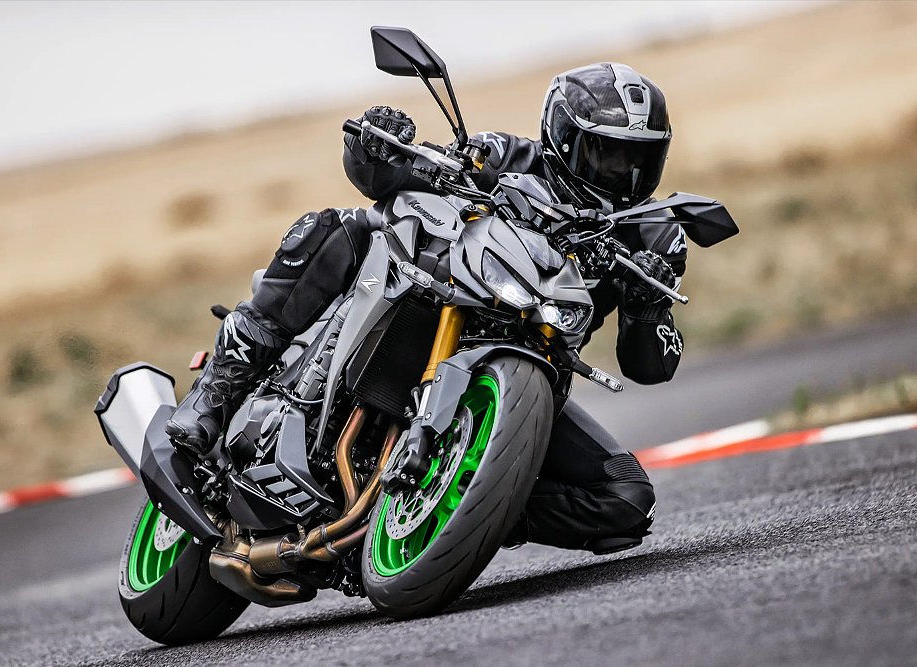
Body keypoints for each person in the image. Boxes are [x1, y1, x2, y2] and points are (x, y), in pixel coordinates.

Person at [167, 62, 685, 554]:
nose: (626, 175)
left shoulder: (655, 234)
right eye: (609, 155)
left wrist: (647, 306)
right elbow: (385, 179)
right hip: (444, 307)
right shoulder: (506, 157)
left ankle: (465, 509)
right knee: (345, 227)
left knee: (627, 500)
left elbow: (652, 366)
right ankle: (218, 389)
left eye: (640, 160)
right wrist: (374, 141)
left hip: (528, 376)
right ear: (564, 139)